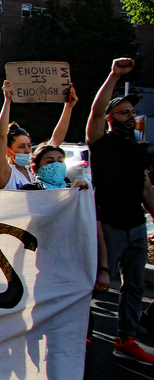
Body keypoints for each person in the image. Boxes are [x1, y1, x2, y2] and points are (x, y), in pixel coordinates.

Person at [16, 144, 103, 380]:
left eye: (59, 160)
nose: (55, 165)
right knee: (30, 331)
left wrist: (101, 268)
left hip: (67, 276)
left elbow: (94, 230)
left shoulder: (78, 192)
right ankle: (24, 379)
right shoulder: (28, 191)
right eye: (48, 161)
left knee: (60, 338)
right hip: (33, 274)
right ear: (36, 166)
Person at [86, 57, 154, 364]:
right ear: (111, 117)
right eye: (125, 112)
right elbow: (95, 111)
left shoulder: (138, 149)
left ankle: (126, 338)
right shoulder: (101, 142)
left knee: (135, 285)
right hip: (108, 227)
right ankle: (76, 329)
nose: (132, 116)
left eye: (133, 112)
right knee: (98, 283)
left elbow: (145, 188)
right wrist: (113, 75)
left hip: (136, 227)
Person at [0, 80, 78, 190]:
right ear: (8, 150)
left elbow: (56, 140)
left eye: (28, 145)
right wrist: (7, 101)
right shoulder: (4, 172)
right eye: (21, 146)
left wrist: (68, 107)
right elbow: (1, 136)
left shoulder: (33, 171)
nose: (28, 150)